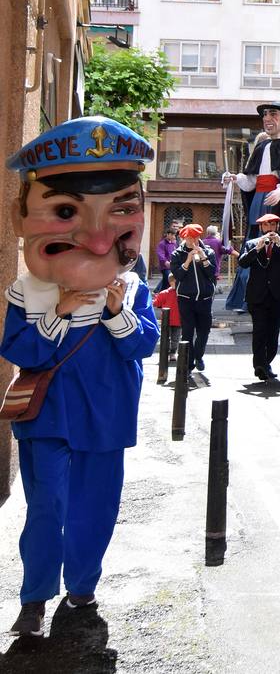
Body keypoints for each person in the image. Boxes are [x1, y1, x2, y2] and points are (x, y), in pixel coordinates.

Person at [2, 117, 159, 638]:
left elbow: (144, 345)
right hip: (48, 414)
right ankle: (34, 596)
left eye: (121, 207)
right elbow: (18, 349)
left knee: (96, 505)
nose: (96, 236)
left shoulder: (133, 288)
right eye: (66, 210)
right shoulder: (29, 292)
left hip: (108, 412)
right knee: (46, 505)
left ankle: (83, 584)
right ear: (20, 217)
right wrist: (59, 311)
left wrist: (115, 312)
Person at [222, 102, 280, 251]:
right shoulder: (261, 147)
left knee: (275, 235)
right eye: (265, 114)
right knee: (256, 233)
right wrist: (236, 178)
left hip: (278, 202)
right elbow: (252, 181)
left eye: (273, 114)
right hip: (259, 199)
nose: (267, 118)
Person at [239, 212, 280, 382]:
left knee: (273, 334)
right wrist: (257, 248)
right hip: (257, 296)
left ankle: (266, 363)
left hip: (278, 296)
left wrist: (279, 245)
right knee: (259, 331)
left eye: (273, 225)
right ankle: (259, 365)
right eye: (266, 225)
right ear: (261, 228)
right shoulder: (251, 244)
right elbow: (242, 263)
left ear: (277, 227)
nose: (270, 228)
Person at [170, 223, 215, 372]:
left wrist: (203, 257)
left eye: (195, 237)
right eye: (189, 237)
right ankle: (188, 364)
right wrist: (188, 260)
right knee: (188, 332)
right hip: (185, 298)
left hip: (205, 298)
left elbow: (211, 273)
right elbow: (178, 275)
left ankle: (198, 355)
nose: (192, 241)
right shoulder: (177, 254)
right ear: (184, 237)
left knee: (204, 330)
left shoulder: (208, 251)